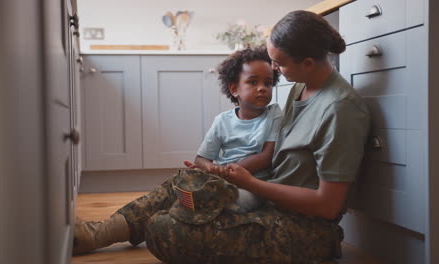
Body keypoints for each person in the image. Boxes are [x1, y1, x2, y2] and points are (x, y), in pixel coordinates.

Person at [73, 10, 371, 264]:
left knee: (165, 229)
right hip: (267, 201)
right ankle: (95, 234)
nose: (276, 71)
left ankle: (159, 222)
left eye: (279, 64)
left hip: (304, 228)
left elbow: (327, 205)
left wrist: (252, 183)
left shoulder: (341, 110)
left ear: (307, 62)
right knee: (183, 181)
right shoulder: (299, 89)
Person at [184, 46, 283, 213]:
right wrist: (209, 169)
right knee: (182, 181)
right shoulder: (222, 121)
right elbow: (201, 159)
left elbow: (266, 157)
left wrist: (224, 173)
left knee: (230, 202)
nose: (262, 88)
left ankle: (197, 206)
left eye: (268, 83)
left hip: (252, 187)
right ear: (234, 89)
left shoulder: (274, 115)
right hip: (221, 178)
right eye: (253, 82)